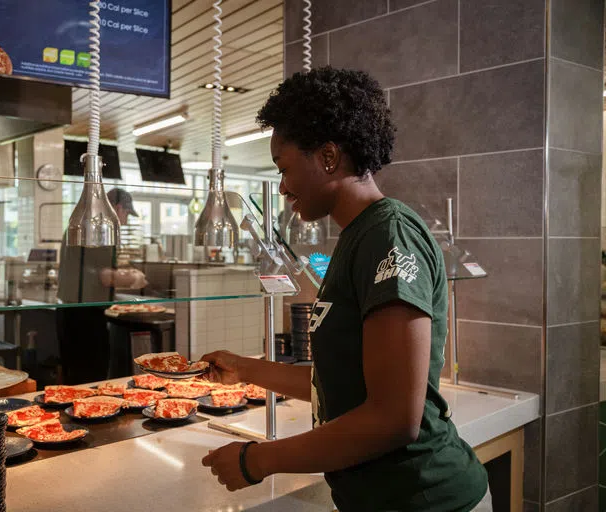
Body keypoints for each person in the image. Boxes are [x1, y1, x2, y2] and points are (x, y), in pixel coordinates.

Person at [201, 68, 491, 511]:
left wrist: (256, 460)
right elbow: (338, 383)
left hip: (427, 498)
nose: (282, 187)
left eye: (285, 169)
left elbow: (394, 418)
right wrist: (245, 368)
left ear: (329, 157)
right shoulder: (357, 236)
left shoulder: (388, 234)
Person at [56, 187, 146, 384]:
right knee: (92, 379)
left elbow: (89, 270)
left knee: (74, 378)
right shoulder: (101, 230)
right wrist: (133, 278)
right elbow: (105, 276)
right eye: (126, 213)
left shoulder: (78, 224)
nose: (126, 219)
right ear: (117, 207)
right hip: (87, 317)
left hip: (67, 312)